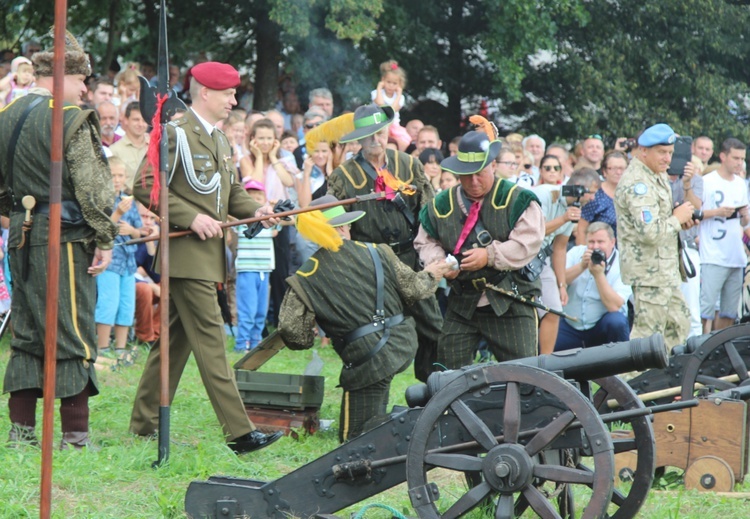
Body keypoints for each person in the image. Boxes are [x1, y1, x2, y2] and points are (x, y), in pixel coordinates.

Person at [129, 61, 283, 454]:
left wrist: (256, 211)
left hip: (207, 256)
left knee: (175, 344)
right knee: (213, 341)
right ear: (206, 93)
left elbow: (230, 194)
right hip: (185, 255)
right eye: (229, 93)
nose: (234, 100)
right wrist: (189, 216)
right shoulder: (176, 133)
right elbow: (145, 185)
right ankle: (240, 432)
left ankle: (144, 423)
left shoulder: (217, 139)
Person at [0, 32, 117, 448]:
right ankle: (75, 438)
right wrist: (105, 237)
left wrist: (19, 216)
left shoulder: (7, 114)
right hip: (64, 239)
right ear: (61, 75)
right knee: (73, 333)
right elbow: (94, 190)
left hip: (19, 236)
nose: (85, 88)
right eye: (81, 78)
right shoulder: (71, 118)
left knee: (28, 331)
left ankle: (21, 434)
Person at [278, 195, 451, 441]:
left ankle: (415, 430)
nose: (348, 228)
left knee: (353, 439)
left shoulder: (307, 275)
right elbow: (414, 289)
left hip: (366, 358)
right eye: (345, 223)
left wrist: (309, 336)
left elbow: (291, 331)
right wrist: (431, 274)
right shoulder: (376, 251)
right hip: (401, 342)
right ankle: (408, 426)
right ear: (339, 228)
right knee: (369, 415)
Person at [327, 104, 443, 382]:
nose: (375, 140)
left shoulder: (409, 164)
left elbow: (429, 211)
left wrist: (432, 253)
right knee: (375, 332)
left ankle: (434, 387)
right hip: (371, 265)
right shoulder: (343, 176)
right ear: (358, 138)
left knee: (435, 327)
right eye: (368, 135)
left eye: (379, 133)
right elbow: (334, 224)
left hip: (411, 260)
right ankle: (373, 391)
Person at [415, 130, 545, 367]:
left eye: (479, 174)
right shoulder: (440, 204)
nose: (473, 182)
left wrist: (489, 255)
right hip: (463, 302)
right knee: (447, 373)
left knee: (527, 373)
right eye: (466, 175)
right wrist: (441, 264)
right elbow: (426, 242)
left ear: (493, 165)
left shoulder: (518, 199)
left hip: (511, 299)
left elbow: (528, 242)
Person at [615, 123, 695, 349]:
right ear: (643, 151)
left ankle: (668, 382)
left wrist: (680, 218)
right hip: (649, 272)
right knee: (647, 339)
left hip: (665, 270)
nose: (667, 158)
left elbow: (659, 220)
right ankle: (631, 384)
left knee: (678, 325)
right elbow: (649, 233)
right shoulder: (638, 183)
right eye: (661, 152)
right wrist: (676, 218)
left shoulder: (655, 174)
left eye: (670, 153)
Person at [533, 168, 599, 354]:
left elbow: (560, 247)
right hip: (519, 255)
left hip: (539, 259)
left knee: (553, 310)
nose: (593, 198)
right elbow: (533, 233)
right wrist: (563, 218)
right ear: (579, 188)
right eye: (592, 192)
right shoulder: (544, 195)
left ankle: (544, 366)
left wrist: (561, 284)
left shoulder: (575, 208)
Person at [698, 138, 750, 333]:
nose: (739, 163)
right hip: (712, 254)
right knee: (707, 309)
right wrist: (717, 212)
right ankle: (702, 350)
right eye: (735, 158)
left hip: (735, 255)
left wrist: (744, 217)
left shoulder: (740, 183)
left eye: (742, 159)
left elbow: (744, 223)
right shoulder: (707, 181)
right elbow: (695, 215)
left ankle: (721, 352)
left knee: (729, 311)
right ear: (723, 156)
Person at [555, 222, 631, 350]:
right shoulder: (575, 253)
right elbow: (558, 281)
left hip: (600, 327)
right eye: (591, 242)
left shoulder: (622, 263)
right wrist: (581, 267)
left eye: (600, 242)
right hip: (571, 325)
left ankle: (620, 368)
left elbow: (614, 306)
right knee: (545, 337)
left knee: (617, 322)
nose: (595, 247)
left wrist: (598, 275)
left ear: (612, 242)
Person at [95, 157, 143, 360]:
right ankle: (102, 348)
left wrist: (132, 230)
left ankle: (121, 349)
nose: (116, 179)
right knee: (108, 303)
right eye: (112, 175)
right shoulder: (100, 200)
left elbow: (140, 233)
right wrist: (116, 214)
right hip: (109, 260)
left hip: (128, 262)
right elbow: (98, 229)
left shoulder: (129, 202)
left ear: (125, 178)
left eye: (120, 175)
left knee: (126, 305)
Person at [234, 180, 276, 352]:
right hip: (247, 270)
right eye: (251, 197)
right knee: (248, 311)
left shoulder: (270, 222)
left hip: (264, 270)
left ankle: (255, 342)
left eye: (259, 197)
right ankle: (241, 344)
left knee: (260, 312)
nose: (256, 200)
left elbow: (288, 221)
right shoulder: (243, 221)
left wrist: (276, 209)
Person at [577, 150, 628, 243]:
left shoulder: (632, 194)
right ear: (604, 171)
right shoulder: (595, 195)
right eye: (613, 168)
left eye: (622, 168)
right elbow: (581, 229)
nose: (618, 172)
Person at [371, 60, 411, 150]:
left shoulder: (400, 98)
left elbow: (393, 110)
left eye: (394, 83)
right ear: (383, 80)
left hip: (394, 124)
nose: (391, 86)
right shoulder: (376, 93)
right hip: (378, 122)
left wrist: (399, 93)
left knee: (406, 140)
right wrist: (379, 88)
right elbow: (381, 105)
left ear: (399, 84)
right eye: (388, 82)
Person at [109, 101, 149, 190]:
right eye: (136, 119)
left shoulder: (155, 147)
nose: (140, 124)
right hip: (127, 201)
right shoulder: (114, 150)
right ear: (126, 120)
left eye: (144, 120)